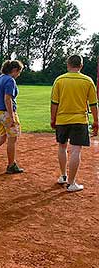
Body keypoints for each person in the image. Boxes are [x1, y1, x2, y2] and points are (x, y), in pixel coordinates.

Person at [50, 54, 98, 192]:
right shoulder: (88, 81)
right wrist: (96, 121)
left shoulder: (59, 80)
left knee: (62, 147)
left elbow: (54, 103)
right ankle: (71, 183)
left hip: (62, 119)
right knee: (76, 150)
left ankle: (63, 176)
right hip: (79, 120)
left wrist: (53, 119)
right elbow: (93, 104)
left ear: (68, 64)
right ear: (81, 66)